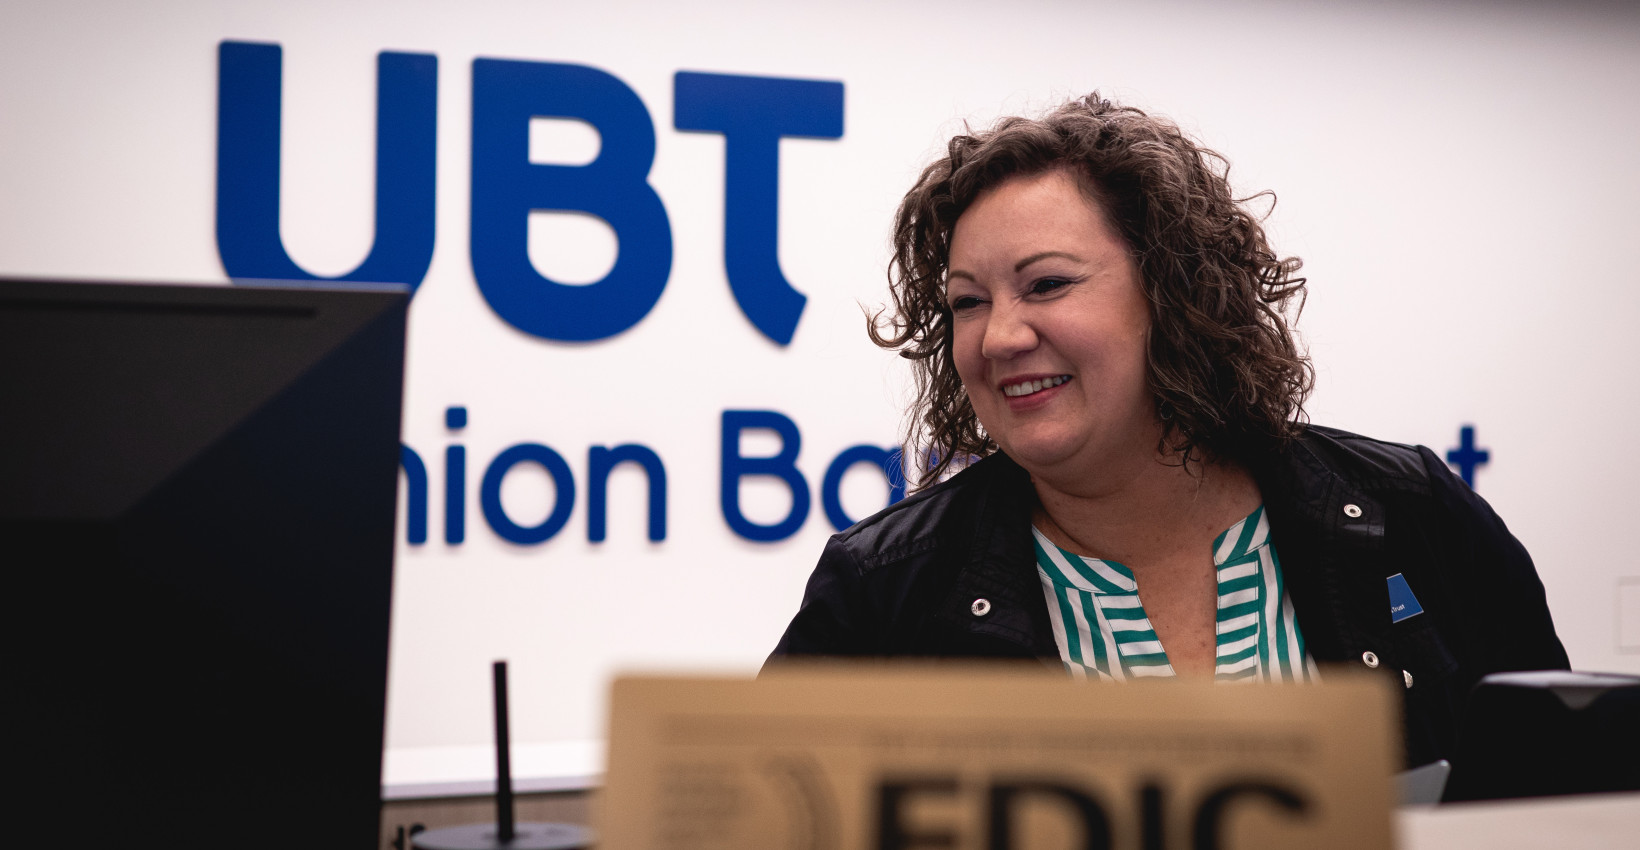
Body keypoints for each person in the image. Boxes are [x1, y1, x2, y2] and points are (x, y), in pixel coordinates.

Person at [768, 92, 1568, 768]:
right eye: (967, 302)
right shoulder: (882, 589)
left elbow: (1564, 801)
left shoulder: (1412, 514)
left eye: (1046, 284)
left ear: (1176, 295)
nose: (999, 337)